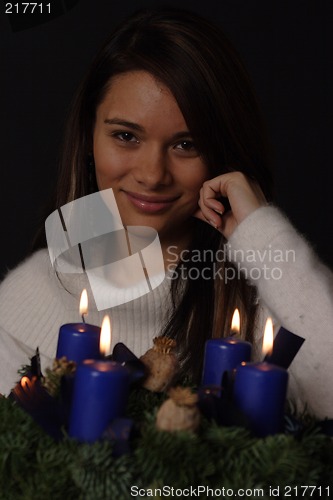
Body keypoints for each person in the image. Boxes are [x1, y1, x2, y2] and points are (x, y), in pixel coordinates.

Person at [0, 7, 332, 420]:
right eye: (125, 136)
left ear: (222, 153)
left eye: (186, 145)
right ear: (89, 138)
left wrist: (260, 232)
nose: (152, 175)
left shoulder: (268, 297)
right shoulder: (28, 296)